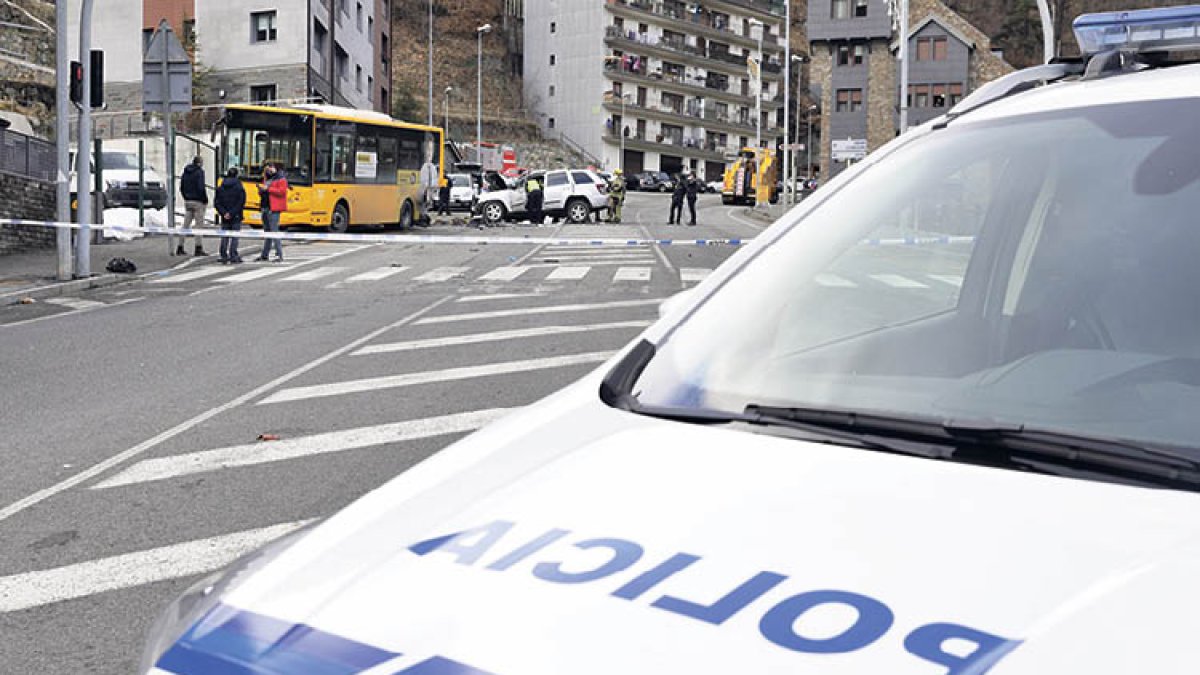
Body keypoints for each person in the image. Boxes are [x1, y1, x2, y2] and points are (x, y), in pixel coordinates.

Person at [214, 167, 246, 264]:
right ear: (237, 175)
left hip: (224, 216)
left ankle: (223, 255)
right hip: (236, 215)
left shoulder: (221, 187)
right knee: (234, 236)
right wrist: (232, 213)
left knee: (225, 236)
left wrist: (224, 213)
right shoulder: (239, 187)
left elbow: (217, 202)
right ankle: (233, 255)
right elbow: (241, 202)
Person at [257, 163, 288, 262]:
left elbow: (282, 191)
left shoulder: (281, 178)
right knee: (267, 232)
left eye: (271, 168)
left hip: (273, 208)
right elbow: (264, 192)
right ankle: (264, 254)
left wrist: (268, 189)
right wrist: (261, 190)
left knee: (274, 232)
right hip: (265, 206)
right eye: (268, 168)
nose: (269, 170)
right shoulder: (267, 178)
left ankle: (279, 255)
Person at [179, 156, 209, 256]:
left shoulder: (185, 172)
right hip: (198, 202)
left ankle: (180, 246)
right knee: (198, 226)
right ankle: (198, 248)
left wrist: (186, 197)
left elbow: (181, 187)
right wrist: (204, 199)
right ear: (199, 163)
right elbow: (201, 187)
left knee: (185, 225)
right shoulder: (199, 172)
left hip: (188, 201)